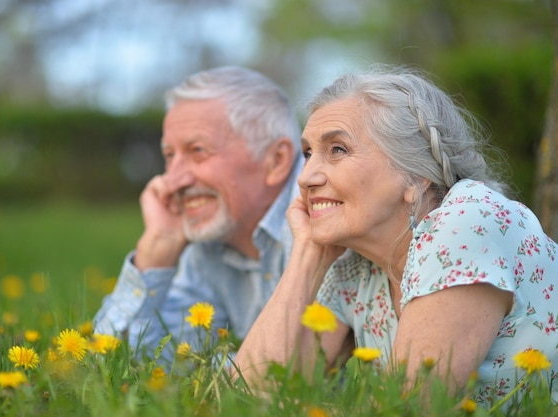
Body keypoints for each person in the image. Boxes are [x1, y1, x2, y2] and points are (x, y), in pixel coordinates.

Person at [234, 65, 558, 407]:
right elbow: (247, 398)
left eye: (337, 150)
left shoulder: (467, 221)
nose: (306, 177)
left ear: (415, 174)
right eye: (309, 153)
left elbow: (407, 409)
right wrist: (307, 253)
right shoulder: (356, 268)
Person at [93, 66, 303, 363]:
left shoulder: (324, 214)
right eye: (169, 156)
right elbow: (124, 360)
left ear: (276, 160)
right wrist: (155, 251)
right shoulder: (212, 241)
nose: (174, 180)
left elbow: (317, 371)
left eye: (198, 151)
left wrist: (217, 369)